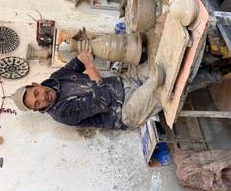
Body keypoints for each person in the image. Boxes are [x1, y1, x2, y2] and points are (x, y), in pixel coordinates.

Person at [12, 40, 161, 129]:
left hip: (123, 81)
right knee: (159, 82)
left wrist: (86, 49)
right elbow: (102, 101)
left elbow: (79, 61)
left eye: (36, 93)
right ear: (37, 109)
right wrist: (90, 68)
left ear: (35, 84)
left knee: (160, 62)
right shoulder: (61, 114)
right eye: (37, 103)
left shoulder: (57, 78)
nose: (43, 98)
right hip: (124, 110)